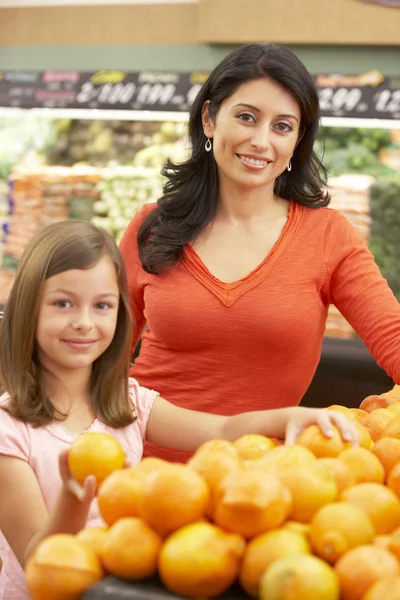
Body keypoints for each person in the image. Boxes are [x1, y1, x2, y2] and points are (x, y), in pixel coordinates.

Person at [0, 220, 356, 599]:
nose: (84, 323)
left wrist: (288, 417)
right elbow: (37, 559)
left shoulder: (128, 402)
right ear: (27, 309)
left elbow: (221, 431)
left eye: (102, 305)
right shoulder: (10, 430)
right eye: (63, 304)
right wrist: (74, 500)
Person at [119, 42, 400, 463]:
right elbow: (102, 357)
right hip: (139, 476)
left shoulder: (328, 236)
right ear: (210, 118)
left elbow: (393, 339)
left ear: (298, 140)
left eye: (282, 126)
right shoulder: (151, 228)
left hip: (265, 489)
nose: (260, 140)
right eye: (246, 117)